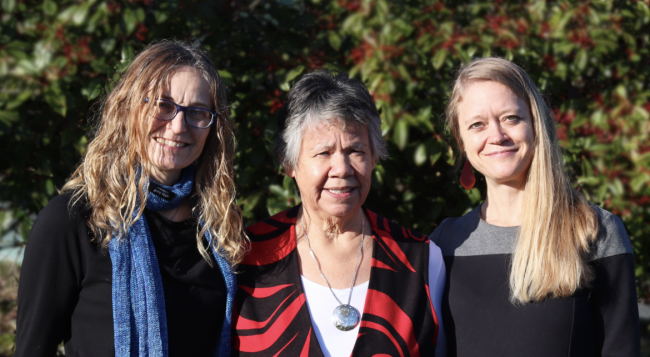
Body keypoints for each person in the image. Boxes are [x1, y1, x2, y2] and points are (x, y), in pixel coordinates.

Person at [16, 41, 246, 357]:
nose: (178, 127)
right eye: (163, 105)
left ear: (212, 127)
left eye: (197, 112)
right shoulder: (73, 221)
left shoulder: (221, 229)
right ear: (129, 108)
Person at [430, 57, 641, 357]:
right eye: (477, 124)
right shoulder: (445, 244)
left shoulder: (595, 231)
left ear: (536, 124)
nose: (497, 136)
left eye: (511, 118)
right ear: (461, 142)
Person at [231, 69, 446, 356]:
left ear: (373, 158)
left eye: (356, 150)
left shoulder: (422, 259)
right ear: (289, 163)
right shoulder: (244, 257)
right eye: (323, 153)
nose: (342, 168)